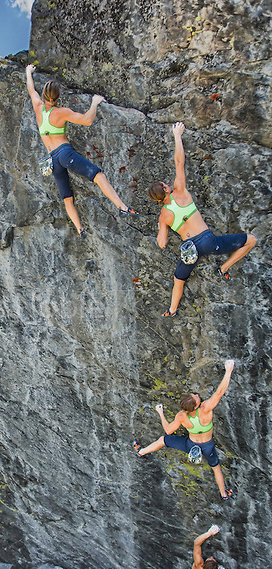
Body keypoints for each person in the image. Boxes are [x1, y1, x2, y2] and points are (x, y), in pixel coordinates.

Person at [148, 122, 256, 316]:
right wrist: (177, 136)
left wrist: (161, 225)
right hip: (208, 242)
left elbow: (162, 243)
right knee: (251, 240)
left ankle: (172, 310)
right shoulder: (179, 191)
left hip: (190, 251)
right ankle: (223, 268)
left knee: (178, 280)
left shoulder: (163, 216)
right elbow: (179, 162)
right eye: (165, 185)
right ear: (165, 189)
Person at [25, 64, 139, 237]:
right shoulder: (61, 112)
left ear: (44, 95)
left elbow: (31, 89)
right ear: (58, 96)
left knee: (67, 198)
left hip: (52, 160)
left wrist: (28, 72)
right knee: (99, 176)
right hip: (64, 153)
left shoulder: (37, 107)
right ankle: (122, 207)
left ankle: (80, 229)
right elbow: (87, 120)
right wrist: (94, 103)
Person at [133, 360, 235, 500]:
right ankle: (223, 494)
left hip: (190, 444)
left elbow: (168, 431)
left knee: (163, 440)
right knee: (216, 467)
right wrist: (228, 370)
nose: (198, 396)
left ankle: (141, 451)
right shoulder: (205, 409)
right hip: (207, 446)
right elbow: (219, 392)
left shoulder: (182, 416)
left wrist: (161, 413)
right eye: (196, 397)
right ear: (195, 406)